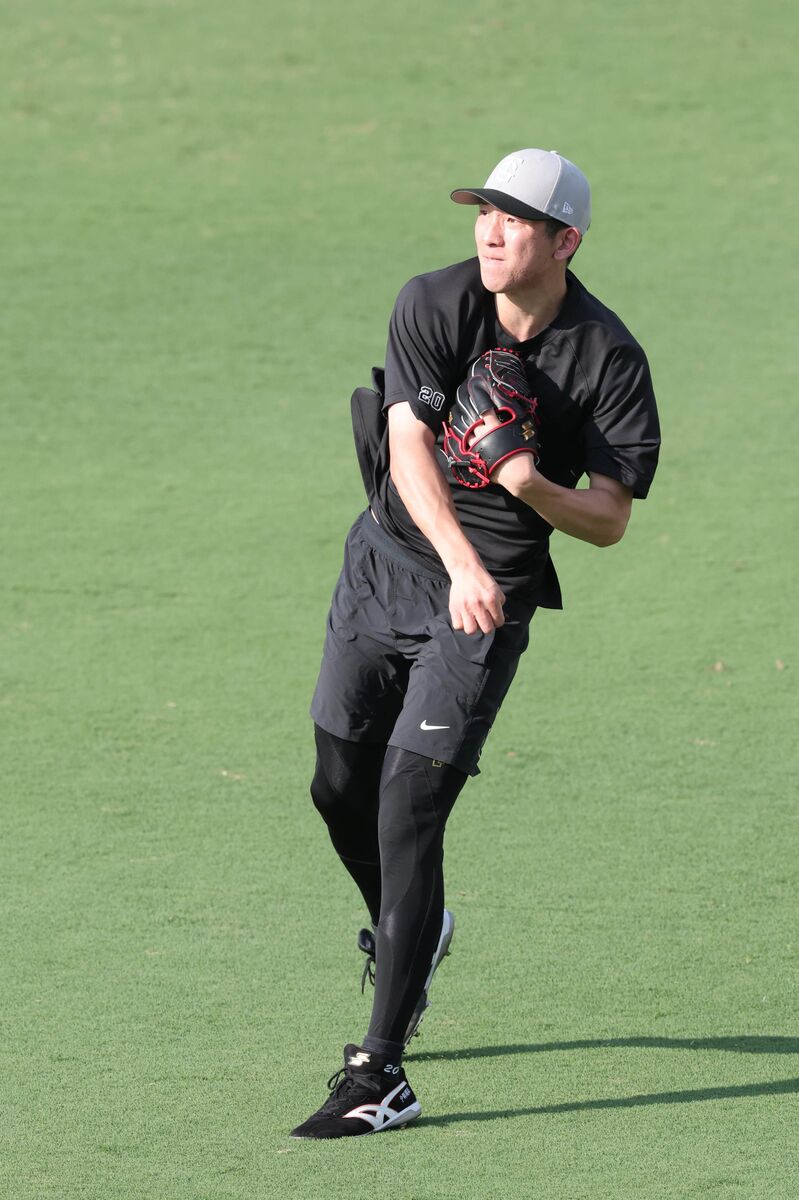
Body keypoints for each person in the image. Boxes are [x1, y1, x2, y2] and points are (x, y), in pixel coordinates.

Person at [291, 148, 661, 1139]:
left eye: (514, 219)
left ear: (565, 241)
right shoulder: (435, 302)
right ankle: (420, 926)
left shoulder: (606, 358)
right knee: (338, 785)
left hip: (484, 606)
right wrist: (454, 556)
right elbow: (408, 440)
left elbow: (609, 519)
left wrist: (524, 483)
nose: (490, 232)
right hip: (388, 564)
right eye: (482, 214)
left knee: (409, 804)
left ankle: (382, 1073)